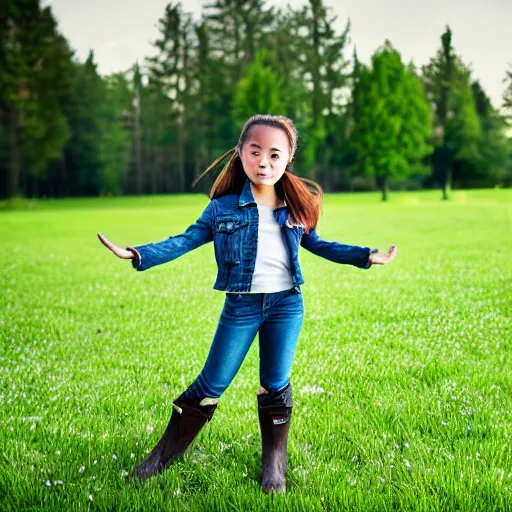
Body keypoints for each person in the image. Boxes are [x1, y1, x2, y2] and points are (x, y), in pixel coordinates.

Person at [97, 114, 398, 493]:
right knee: (210, 385)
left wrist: (366, 256)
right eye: (255, 152)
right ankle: (159, 459)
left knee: (275, 384)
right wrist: (137, 253)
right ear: (240, 153)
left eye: (275, 155)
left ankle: (274, 466)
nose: (264, 163)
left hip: (286, 305)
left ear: (288, 159)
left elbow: (320, 244)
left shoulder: (295, 208)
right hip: (241, 307)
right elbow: (185, 240)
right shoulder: (221, 209)